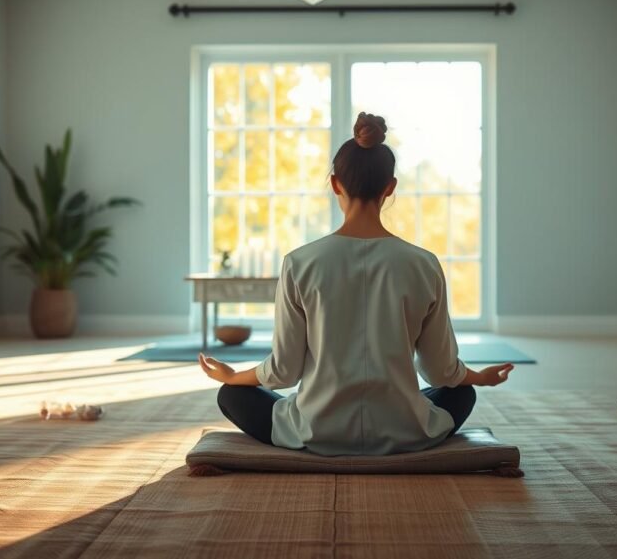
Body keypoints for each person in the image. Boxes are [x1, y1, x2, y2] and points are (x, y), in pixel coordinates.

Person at [198, 112, 514, 456]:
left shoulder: (300, 262)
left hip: (316, 430)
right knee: (462, 393)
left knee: (232, 395)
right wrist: (480, 377)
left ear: (335, 184)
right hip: (406, 432)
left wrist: (232, 376)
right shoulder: (424, 264)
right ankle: (405, 420)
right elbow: (442, 372)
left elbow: (283, 371)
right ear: (390, 187)